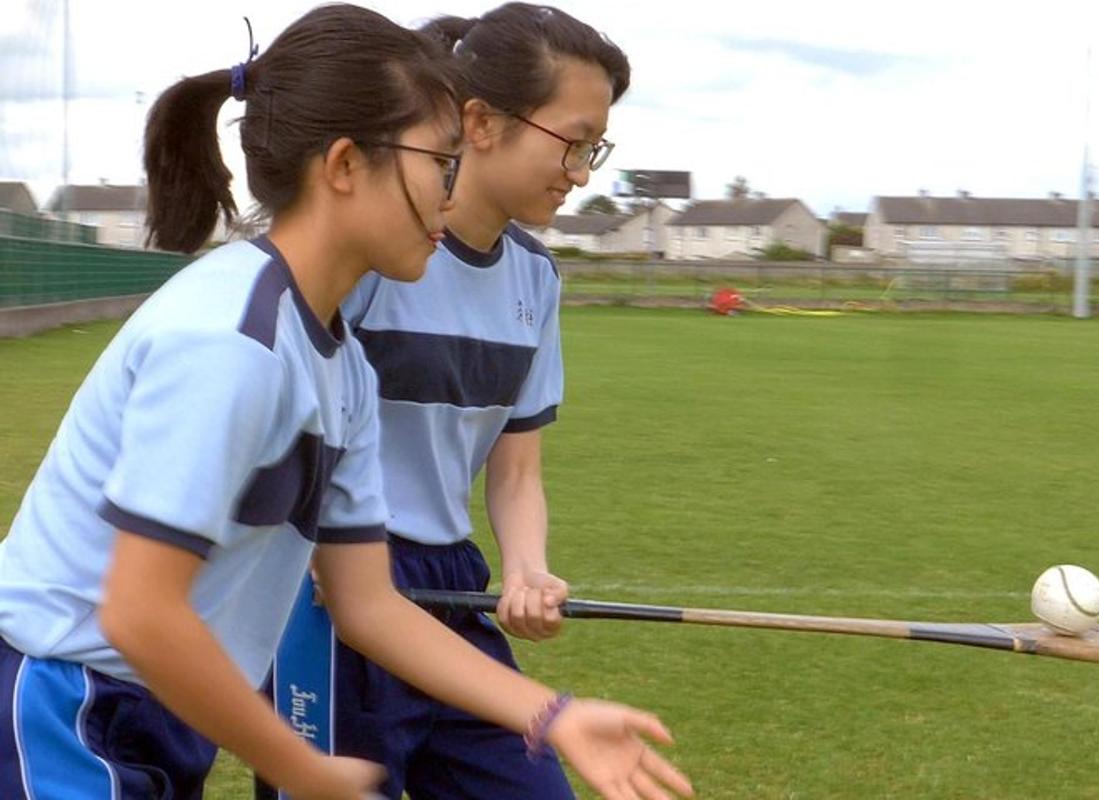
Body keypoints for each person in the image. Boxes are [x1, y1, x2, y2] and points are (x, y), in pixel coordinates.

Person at [0, 6, 691, 800]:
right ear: (343, 166)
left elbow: (367, 606)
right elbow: (138, 614)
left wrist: (554, 714)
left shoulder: (344, 368)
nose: (451, 191)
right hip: (65, 708)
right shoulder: (233, 341)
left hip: (151, 713)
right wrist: (302, 769)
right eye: (440, 161)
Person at [267, 4, 634, 798]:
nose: (580, 172)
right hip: (330, 588)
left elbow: (515, 470)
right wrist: (330, 556)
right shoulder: (369, 257)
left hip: (449, 580)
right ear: (482, 122)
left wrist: (528, 569)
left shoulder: (536, 279)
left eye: (594, 149)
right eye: (571, 142)